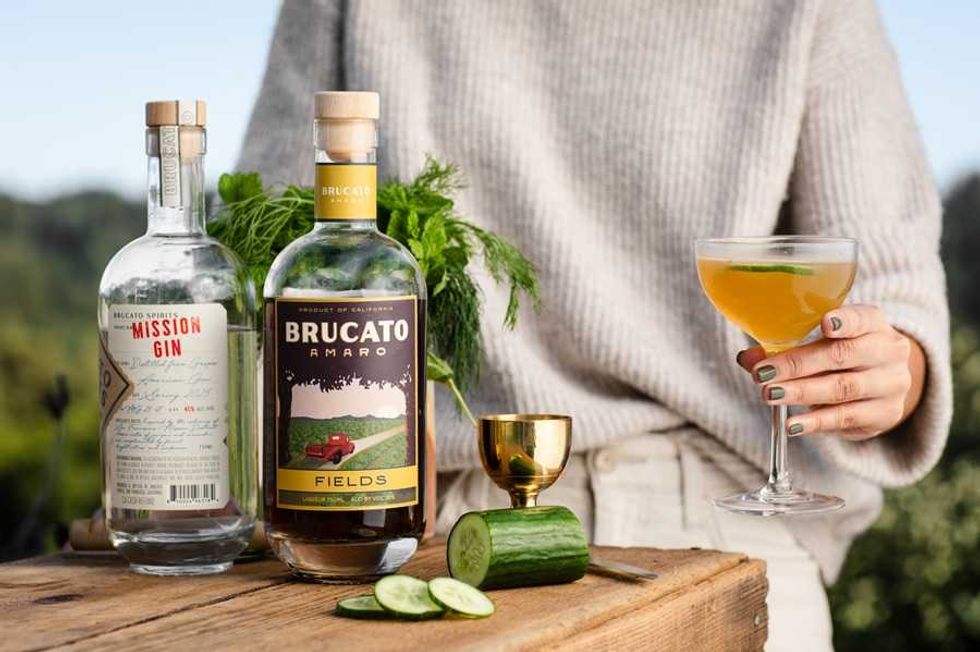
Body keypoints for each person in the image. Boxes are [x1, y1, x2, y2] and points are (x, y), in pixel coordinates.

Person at [239, 1, 951, 649]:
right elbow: (260, 255)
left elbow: (892, 294)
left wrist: (886, 372)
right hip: (429, 526)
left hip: (718, 517)